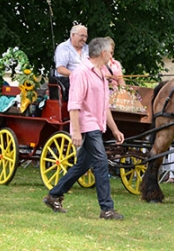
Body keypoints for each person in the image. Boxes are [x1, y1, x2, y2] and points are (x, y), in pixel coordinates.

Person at [43, 37, 125, 220]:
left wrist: (115, 129)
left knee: (82, 165)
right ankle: (107, 209)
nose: (112, 55)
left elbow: (105, 107)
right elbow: (74, 104)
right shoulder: (81, 72)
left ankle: (54, 195)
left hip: (97, 124)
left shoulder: (101, 74)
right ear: (103, 53)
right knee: (101, 163)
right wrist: (76, 131)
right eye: (110, 52)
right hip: (87, 125)